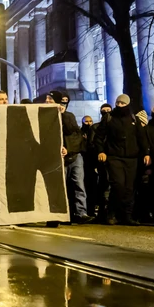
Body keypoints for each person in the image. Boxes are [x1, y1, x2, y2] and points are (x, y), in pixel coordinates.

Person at [94, 94, 150, 226]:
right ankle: (112, 213)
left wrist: (146, 153)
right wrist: (101, 151)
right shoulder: (109, 118)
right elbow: (99, 137)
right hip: (114, 157)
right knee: (118, 185)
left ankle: (127, 215)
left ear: (127, 104)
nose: (119, 105)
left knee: (129, 188)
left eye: (122, 103)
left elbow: (142, 138)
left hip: (131, 158)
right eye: (118, 103)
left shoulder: (134, 119)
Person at [53, 91, 92, 223]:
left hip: (74, 155)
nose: (64, 103)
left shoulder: (69, 116)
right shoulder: (50, 117)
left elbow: (72, 131)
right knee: (61, 186)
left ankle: (81, 212)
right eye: (61, 101)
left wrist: (63, 115)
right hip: (60, 157)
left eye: (65, 101)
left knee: (79, 185)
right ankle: (62, 213)